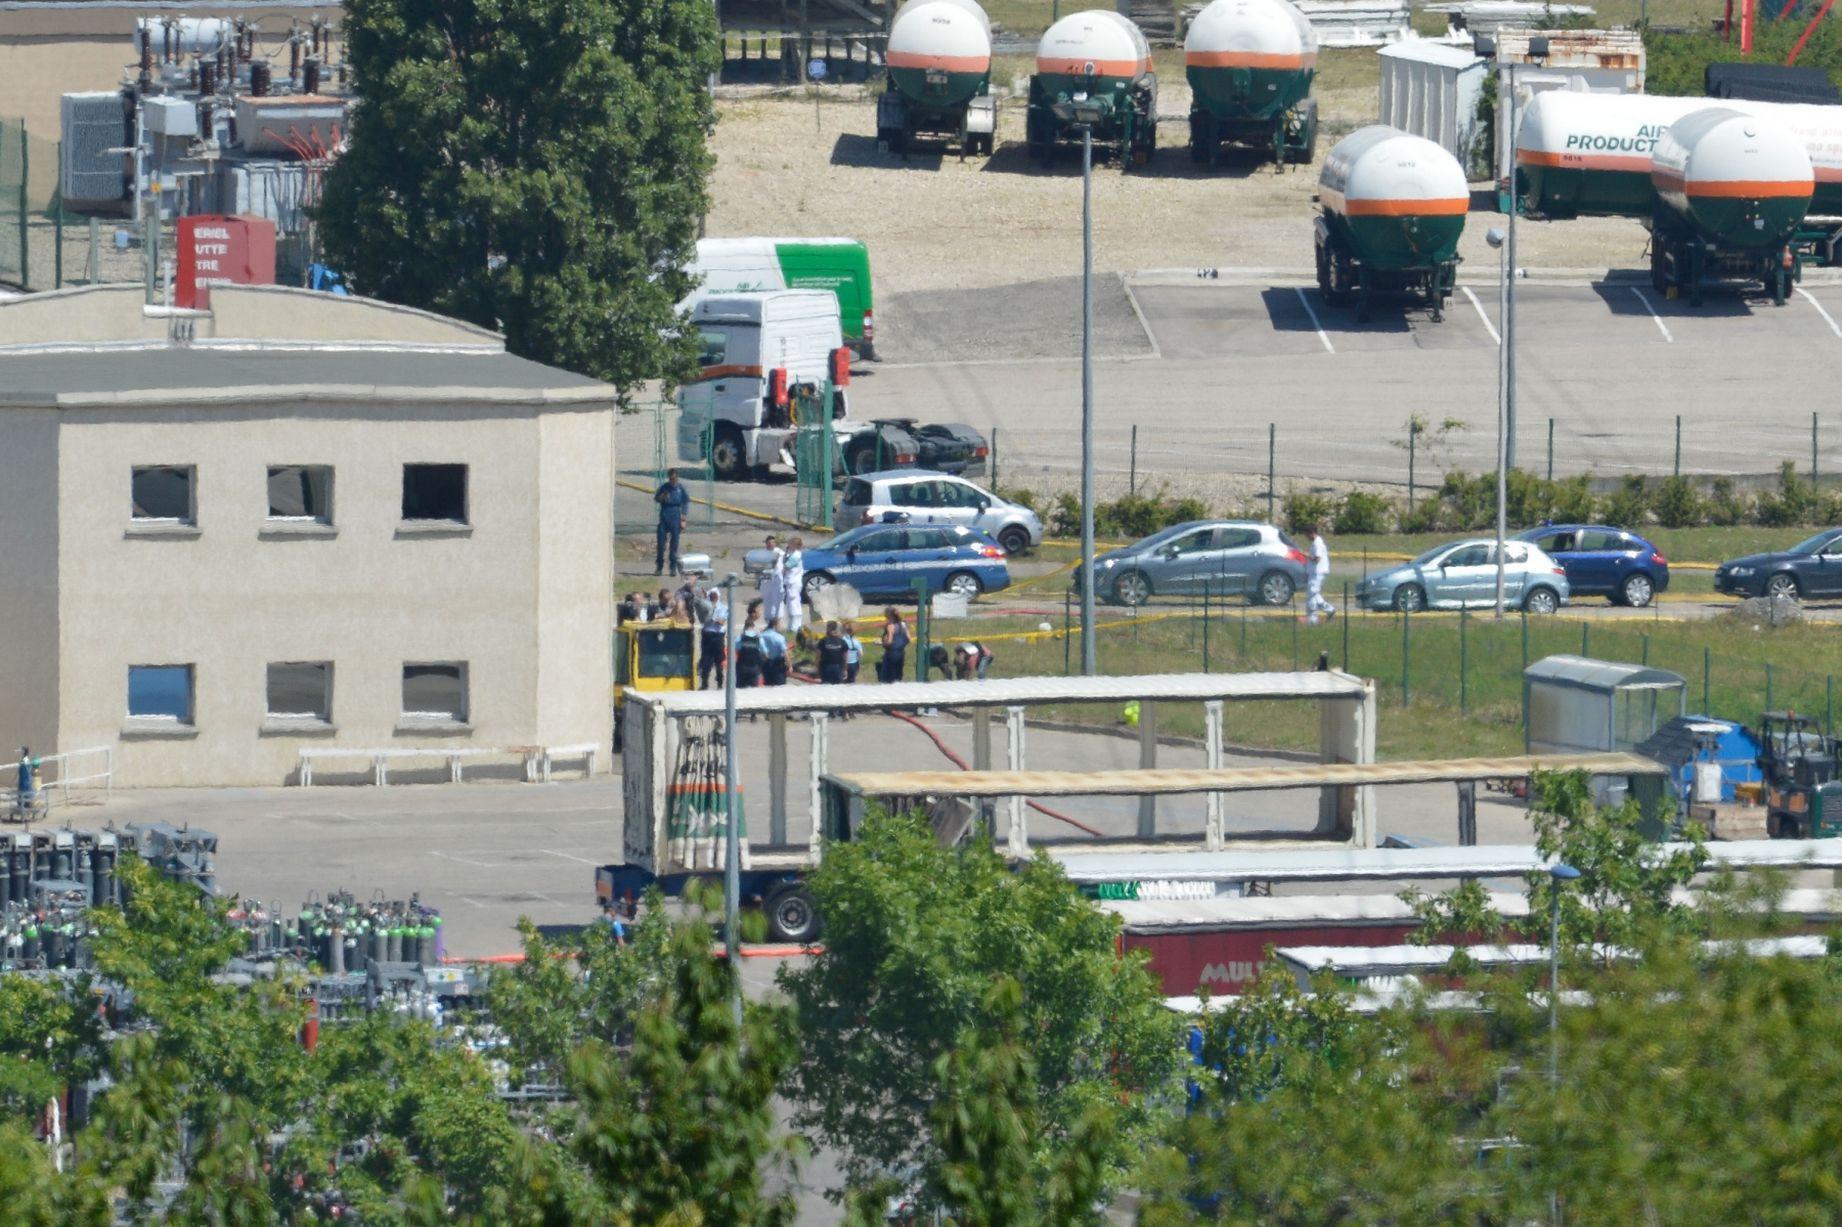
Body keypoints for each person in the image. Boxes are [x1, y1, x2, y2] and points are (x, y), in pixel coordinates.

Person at [653, 469, 690, 577]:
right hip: (665, 514)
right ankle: (659, 567)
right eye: (670, 479)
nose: (672, 481)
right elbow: (656, 498)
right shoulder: (664, 487)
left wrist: (683, 518)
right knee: (660, 544)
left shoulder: (680, 488)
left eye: (674, 478)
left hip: (675, 515)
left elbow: (685, 502)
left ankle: (673, 568)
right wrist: (662, 497)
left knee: (674, 544)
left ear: (677, 478)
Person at [697, 585, 728, 690]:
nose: (712, 597)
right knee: (706, 660)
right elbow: (702, 618)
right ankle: (704, 683)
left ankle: (720, 682)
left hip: (718, 636)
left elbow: (721, 621)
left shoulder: (723, 607)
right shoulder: (706, 606)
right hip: (707, 635)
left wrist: (712, 617)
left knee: (719, 661)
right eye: (711, 595)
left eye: (714, 595)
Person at [1305, 524, 1336, 626]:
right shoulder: (1315, 542)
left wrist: (1307, 557)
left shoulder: (1317, 543)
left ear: (1312, 533)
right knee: (1315, 594)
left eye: (1307, 534)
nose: (1306, 537)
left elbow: (1317, 558)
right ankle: (1329, 609)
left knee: (1312, 595)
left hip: (1317, 573)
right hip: (1315, 572)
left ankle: (1313, 619)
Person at [781, 536, 806, 635]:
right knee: (790, 602)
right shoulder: (792, 554)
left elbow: (786, 566)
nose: (788, 545)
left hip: (794, 582)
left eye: (790, 544)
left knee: (794, 602)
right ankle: (792, 624)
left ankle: (796, 625)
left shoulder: (796, 555)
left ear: (795, 545)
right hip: (790, 581)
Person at [759, 535, 785, 628]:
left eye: (772, 542)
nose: (770, 544)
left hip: (776, 580)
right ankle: (768, 621)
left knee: (777, 600)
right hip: (766, 580)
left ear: (775, 543)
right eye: (768, 543)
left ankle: (777, 621)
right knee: (767, 600)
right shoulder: (763, 553)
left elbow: (781, 563)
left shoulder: (780, 552)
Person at [878, 606, 909, 683]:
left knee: (886, 677)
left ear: (889, 616)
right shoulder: (903, 624)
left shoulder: (890, 626)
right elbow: (908, 639)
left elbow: (889, 641)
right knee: (898, 675)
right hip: (901, 653)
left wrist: (881, 643)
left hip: (891, 653)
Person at [732, 620, 765, 689]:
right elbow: (764, 652)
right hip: (754, 667)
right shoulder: (759, 638)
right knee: (753, 689)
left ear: (745, 627)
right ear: (753, 626)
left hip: (742, 667)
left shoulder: (740, 638)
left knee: (740, 689)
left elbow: (735, 649)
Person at [816, 621, 849, 685]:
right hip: (837, 667)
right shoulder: (842, 641)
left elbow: (818, 657)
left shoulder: (823, 641)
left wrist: (817, 668)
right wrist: (845, 669)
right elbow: (846, 658)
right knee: (838, 686)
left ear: (828, 628)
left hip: (827, 667)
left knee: (826, 686)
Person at [761, 619, 790, 686]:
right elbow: (785, 653)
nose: (781, 627)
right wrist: (789, 665)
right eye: (779, 625)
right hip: (778, 664)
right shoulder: (779, 637)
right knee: (780, 686)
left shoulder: (762, 635)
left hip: (766, 664)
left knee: (768, 685)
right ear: (775, 625)